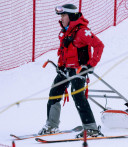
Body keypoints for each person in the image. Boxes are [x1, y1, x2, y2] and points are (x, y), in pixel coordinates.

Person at [38, 4, 104, 138]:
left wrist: (90, 65)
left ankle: (91, 129)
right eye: (61, 16)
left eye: (63, 15)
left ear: (71, 16)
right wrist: (60, 65)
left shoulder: (82, 31)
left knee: (77, 95)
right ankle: (51, 125)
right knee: (54, 92)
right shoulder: (65, 32)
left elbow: (99, 45)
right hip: (65, 69)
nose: (61, 18)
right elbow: (65, 51)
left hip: (79, 70)